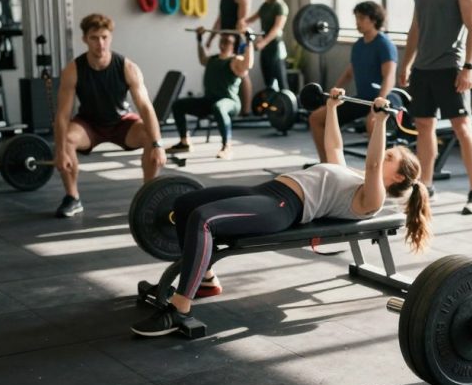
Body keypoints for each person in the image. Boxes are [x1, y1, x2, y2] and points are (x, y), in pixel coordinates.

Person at [130, 90, 432, 337]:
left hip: (284, 207)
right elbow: (334, 147)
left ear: (397, 178)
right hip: (266, 190)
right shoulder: (353, 176)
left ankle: (180, 307)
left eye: (391, 157)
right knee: (186, 204)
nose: (385, 156)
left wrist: (379, 123)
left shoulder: (373, 197)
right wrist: (331, 108)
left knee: (203, 220)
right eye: (388, 153)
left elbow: (373, 164)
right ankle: (206, 279)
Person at [398, 0, 472, 214]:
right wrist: (406, 63)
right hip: (423, 68)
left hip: (450, 66)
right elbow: (416, 27)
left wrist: (469, 67)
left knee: (462, 127)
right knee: (424, 127)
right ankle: (426, 186)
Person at [53, 13, 166, 218]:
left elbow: (146, 108)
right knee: (67, 138)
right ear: (85, 39)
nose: (100, 44)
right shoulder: (73, 70)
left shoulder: (127, 67)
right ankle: (72, 197)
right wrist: (60, 151)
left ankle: (147, 197)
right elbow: (62, 115)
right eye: (94, 38)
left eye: (104, 37)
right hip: (89, 124)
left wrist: (158, 145)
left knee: (150, 135)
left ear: (110, 37)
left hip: (121, 122)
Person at [309, 1, 397, 161]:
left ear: (374, 19)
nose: (357, 22)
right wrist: (331, 97)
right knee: (316, 118)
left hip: (383, 99)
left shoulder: (384, 44)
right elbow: (349, 73)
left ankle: (380, 170)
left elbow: (389, 77)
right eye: (356, 18)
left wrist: (379, 105)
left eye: (361, 18)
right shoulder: (358, 45)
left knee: (373, 122)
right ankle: (327, 164)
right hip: (362, 99)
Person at [166, 29, 255, 160]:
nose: (223, 44)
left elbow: (248, 64)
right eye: (222, 41)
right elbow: (202, 58)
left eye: (227, 41)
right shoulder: (212, 59)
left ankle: (227, 146)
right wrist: (199, 39)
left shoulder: (236, 60)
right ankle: (185, 142)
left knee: (219, 107)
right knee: (178, 105)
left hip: (229, 102)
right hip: (209, 101)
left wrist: (249, 41)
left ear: (234, 45)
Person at [206, 0, 254, 115]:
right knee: (229, 73)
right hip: (226, 40)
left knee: (243, 72)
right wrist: (211, 38)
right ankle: (228, 106)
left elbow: (242, 22)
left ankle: (246, 111)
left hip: (238, 40)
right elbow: (220, 19)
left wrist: (238, 40)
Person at [244, 0, 290, 93]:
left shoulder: (280, 6)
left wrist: (263, 42)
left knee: (282, 83)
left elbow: (277, 28)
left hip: (276, 49)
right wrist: (241, 22)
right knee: (268, 83)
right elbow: (250, 19)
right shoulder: (264, 6)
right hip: (265, 50)